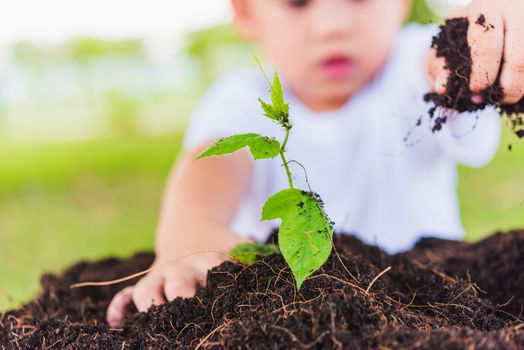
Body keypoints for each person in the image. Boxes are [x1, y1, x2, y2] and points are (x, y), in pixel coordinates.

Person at [107, 0, 524, 328]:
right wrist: (190, 234)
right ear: (246, 11)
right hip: (293, 313)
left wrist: (473, 35)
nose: (333, 25)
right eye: (298, 1)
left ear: (400, 2)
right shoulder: (241, 97)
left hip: (433, 300)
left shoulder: (408, 69)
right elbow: (212, 165)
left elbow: (442, 58)